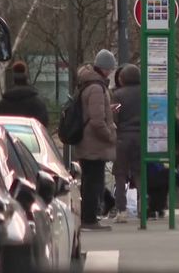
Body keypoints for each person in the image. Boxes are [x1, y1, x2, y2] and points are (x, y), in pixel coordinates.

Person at [73, 49, 117, 231]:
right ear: (105, 68)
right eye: (110, 68)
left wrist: (109, 111)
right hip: (94, 144)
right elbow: (97, 121)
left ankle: (88, 217)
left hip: (87, 142)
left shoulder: (88, 84)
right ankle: (90, 219)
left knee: (91, 181)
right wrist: (110, 135)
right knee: (94, 183)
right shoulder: (97, 88)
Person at [111, 64, 141, 223]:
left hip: (123, 137)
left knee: (120, 174)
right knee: (140, 173)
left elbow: (114, 116)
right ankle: (143, 208)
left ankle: (122, 211)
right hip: (141, 137)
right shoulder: (145, 93)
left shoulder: (118, 95)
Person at [0, 61, 49, 128]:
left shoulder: (2, 105)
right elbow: (44, 125)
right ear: (26, 75)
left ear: (13, 78)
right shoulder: (38, 104)